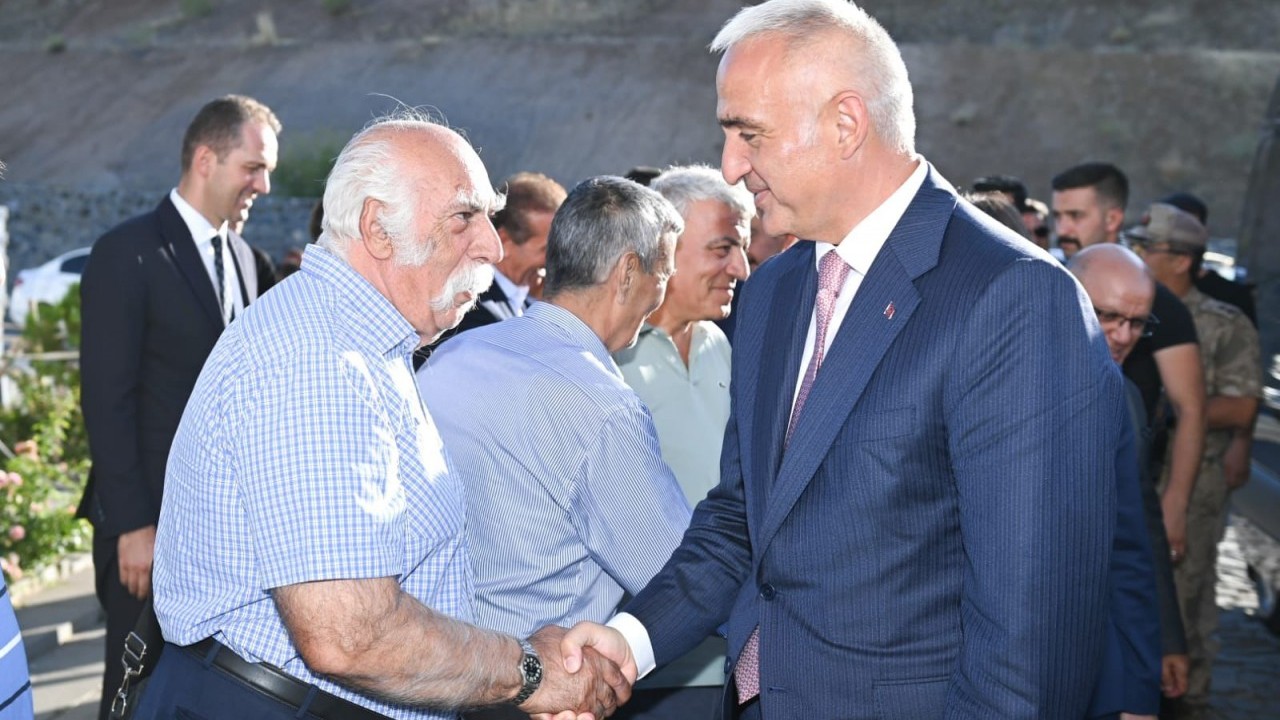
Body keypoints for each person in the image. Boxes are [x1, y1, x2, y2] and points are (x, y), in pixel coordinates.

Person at [554, 2, 1131, 717]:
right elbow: (744, 519)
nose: (732, 166)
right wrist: (630, 642)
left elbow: (1031, 643)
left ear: (846, 124)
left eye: (749, 134)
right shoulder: (773, 292)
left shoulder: (1012, 297)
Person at [140, 112, 631, 720]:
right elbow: (351, 634)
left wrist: (522, 659)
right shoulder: (320, 361)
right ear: (378, 228)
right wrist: (529, 672)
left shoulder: (359, 342)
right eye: (464, 217)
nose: (491, 245)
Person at [419, 176, 696, 720]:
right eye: (663, 270)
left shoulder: (451, 357)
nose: (663, 289)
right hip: (541, 694)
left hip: (436, 678)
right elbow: (676, 573)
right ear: (627, 273)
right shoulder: (601, 408)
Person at [77, 94, 280, 720]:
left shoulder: (251, 262)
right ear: (204, 158)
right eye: (253, 167)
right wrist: (135, 526)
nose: (264, 185)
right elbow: (107, 400)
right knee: (133, 691)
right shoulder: (127, 253)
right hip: (149, 532)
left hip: (226, 535)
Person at [1128, 203, 1263, 720]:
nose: (1137, 254)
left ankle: (1190, 701)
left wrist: (1175, 402)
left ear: (1181, 260)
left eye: (1149, 248)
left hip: (1196, 480)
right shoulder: (1133, 304)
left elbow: (1243, 404)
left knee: (1185, 598)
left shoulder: (1223, 322)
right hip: (1146, 470)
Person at [1051, 161, 1206, 565]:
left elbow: (1190, 408)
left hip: (1129, 489)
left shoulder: (1161, 305)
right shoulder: (1044, 280)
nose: (1064, 228)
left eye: (1076, 216)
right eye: (1058, 216)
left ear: (1113, 217)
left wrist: (1174, 504)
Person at [1069, 245, 1192, 713]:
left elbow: (1136, 541)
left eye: (1138, 323)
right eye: (1110, 317)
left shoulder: (1125, 398)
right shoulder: (1005, 376)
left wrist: (1152, 664)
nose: (1123, 336)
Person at [617, 165, 752, 505]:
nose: (741, 269)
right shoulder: (607, 350)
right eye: (723, 249)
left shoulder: (717, 343)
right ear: (665, 248)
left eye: (744, 251)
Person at [413, 172, 566, 367]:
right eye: (545, 250)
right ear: (504, 242)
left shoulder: (528, 303)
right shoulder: (468, 306)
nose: (553, 261)